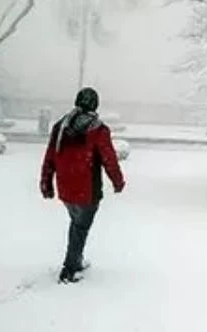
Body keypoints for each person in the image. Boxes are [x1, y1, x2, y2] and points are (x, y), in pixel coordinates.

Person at [39, 87, 125, 283]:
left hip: (66, 188)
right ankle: (69, 270)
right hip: (88, 191)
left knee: (77, 224)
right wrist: (118, 182)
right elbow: (109, 159)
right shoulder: (98, 130)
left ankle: (76, 260)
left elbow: (50, 156)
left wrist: (46, 183)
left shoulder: (61, 126)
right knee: (80, 227)